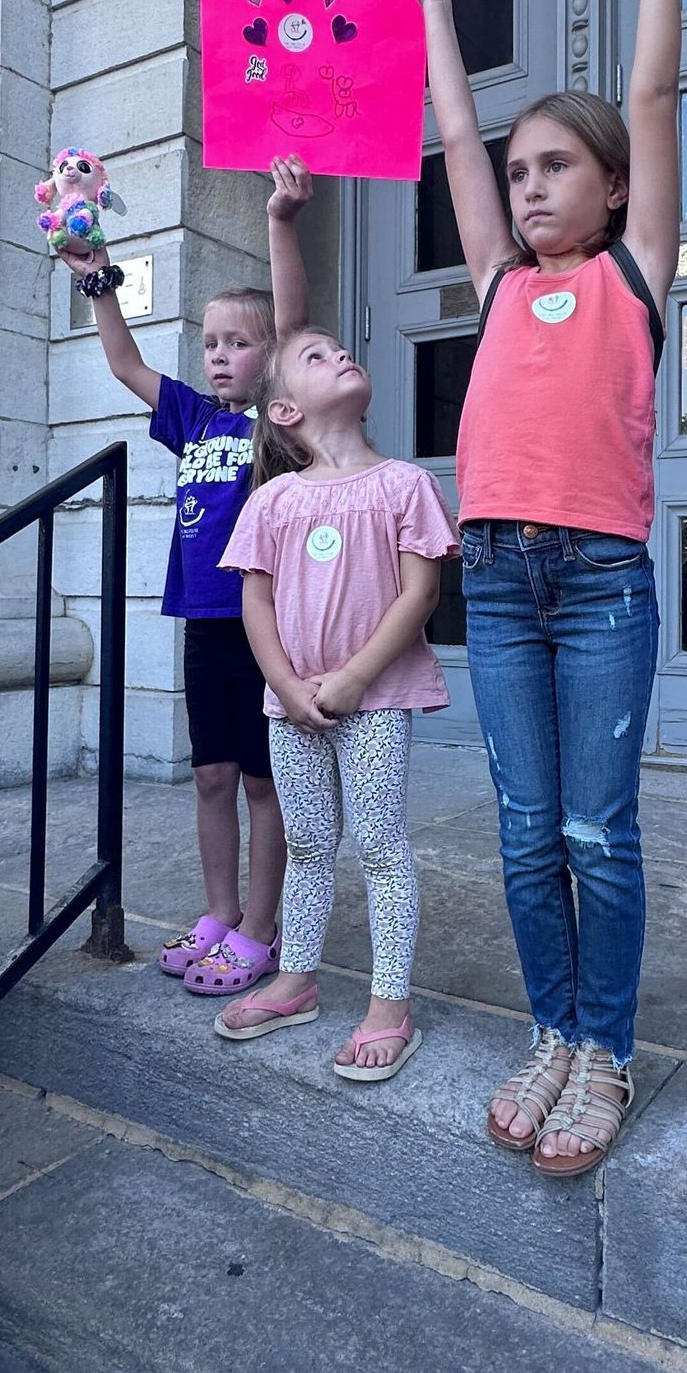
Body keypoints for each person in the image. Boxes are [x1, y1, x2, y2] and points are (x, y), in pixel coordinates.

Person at [395, 0, 687, 1177]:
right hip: (501, 578)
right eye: (519, 175)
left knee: (596, 829)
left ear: (615, 187)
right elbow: (453, 130)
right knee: (525, 832)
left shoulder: (633, 276)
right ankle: (555, 1030)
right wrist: (433, 8)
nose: (527, 186)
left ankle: (610, 1049)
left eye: (557, 168)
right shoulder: (501, 282)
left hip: (599, 580)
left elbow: (654, 86)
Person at [60, 160, 310, 997]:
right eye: (211, 343)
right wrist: (97, 278)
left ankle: (264, 929)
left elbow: (295, 314)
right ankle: (221, 915)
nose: (221, 356)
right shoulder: (196, 418)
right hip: (205, 621)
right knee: (210, 775)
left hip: (264, 624)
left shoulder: (280, 418)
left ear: (270, 356)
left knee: (262, 781)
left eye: (239, 342)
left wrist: (281, 219)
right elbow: (128, 364)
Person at [214, 327, 455, 1079]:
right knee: (310, 844)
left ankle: (390, 1002)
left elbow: (422, 592)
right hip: (291, 705)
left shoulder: (404, 485)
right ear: (284, 410)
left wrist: (353, 678)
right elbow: (255, 605)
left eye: (341, 349)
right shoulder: (273, 500)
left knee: (380, 844)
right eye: (316, 356)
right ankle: (299, 976)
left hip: (374, 698)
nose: (341, 354)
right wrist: (286, 685)